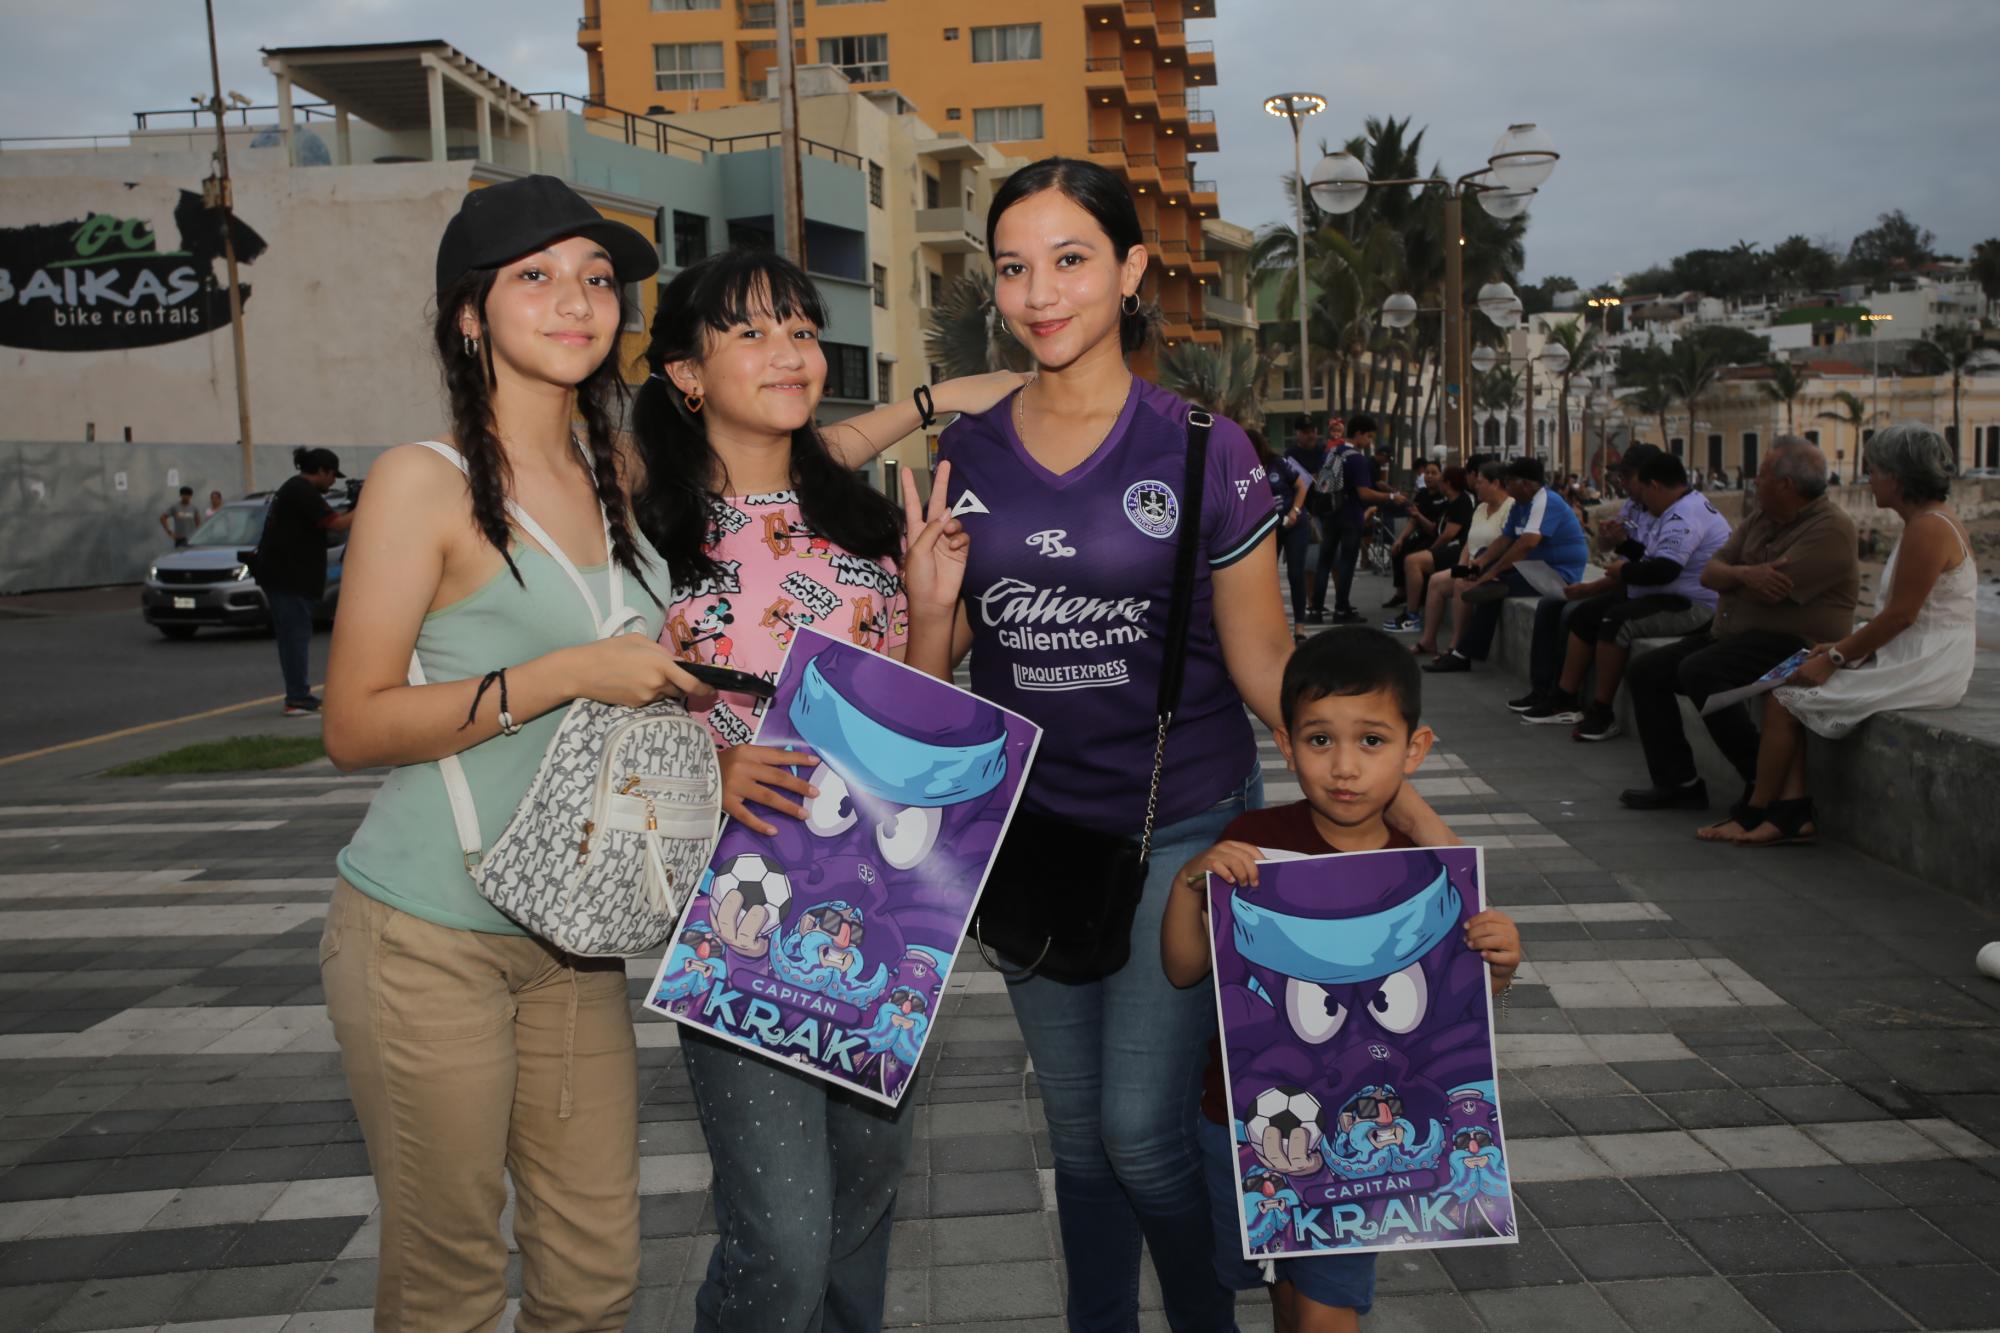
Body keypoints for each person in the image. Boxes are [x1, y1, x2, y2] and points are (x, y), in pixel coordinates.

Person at [927, 156, 1456, 1332]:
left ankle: (1208, 1310)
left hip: (1187, 827)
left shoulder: (1203, 447)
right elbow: (942, 672)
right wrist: (923, 608)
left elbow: (1265, 658)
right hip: (1031, 845)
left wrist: (1392, 805)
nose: (1039, 292)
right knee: (1076, 1138)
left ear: (1128, 270)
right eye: (1013, 267)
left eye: (1069, 260)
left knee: (1138, 1130)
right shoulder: (966, 456)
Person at [319, 175, 703, 1331]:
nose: (575, 300)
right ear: (468, 315)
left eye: (595, 279)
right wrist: (562, 675)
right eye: (533, 276)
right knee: (450, 1286)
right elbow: (354, 724)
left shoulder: (617, 478)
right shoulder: (418, 481)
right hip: (427, 934)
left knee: (593, 1277)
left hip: (572, 935)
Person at [630, 248, 1016, 1331]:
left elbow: (913, 712)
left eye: (799, 327)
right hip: (733, 904)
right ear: (685, 373)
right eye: (749, 331)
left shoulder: (861, 519)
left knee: (860, 1203)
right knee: (785, 1246)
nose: (788, 350)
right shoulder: (645, 526)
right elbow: (598, 714)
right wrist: (705, 764)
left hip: (880, 903)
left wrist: (933, 605)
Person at [1160, 629, 1520, 1333]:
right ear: (1287, 745)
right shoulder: (1253, 841)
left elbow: (1453, 1010)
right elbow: (1182, 969)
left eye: (1372, 741)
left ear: (1414, 750)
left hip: (1369, 1140)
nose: (1344, 766)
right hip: (1247, 1127)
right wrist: (1189, 882)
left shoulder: (1431, 874)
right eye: (1320, 741)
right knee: (1284, 1286)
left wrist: (1498, 965)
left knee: (1328, 1307)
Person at [1702, 425, 1976, 845]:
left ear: (1897, 479)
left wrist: (1835, 659)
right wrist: (1839, 649)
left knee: (1785, 697)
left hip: (1925, 661)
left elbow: (1902, 616)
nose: (1868, 481)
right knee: (1785, 683)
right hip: (1915, 648)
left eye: (1874, 471)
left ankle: (1756, 811)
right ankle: (1789, 813)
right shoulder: (1925, 522)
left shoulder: (1929, 528)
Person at [1620, 437, 1858, 812]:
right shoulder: (1761, 518)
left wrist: (1734, 578)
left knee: (1700, 671)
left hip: (1799, 645)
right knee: (1647, 671)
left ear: (1786, 485)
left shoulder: (1831, 529)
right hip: (1736, 635)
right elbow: (1711, 574)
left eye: (1761, 474)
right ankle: (1678, 781)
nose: (1753, 481)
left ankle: (1760, 778)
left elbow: (1771, 591)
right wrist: (1745, 574)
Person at [1520, 452, 1731, 740]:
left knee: (1616, 622)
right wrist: (1624, 547)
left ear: (1655, 485)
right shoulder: (1672, 510)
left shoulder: (1686, 514)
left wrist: (1625, 572)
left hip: (1694, 605)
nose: (1640, 501)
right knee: (1583, 616)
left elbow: (1665, 570)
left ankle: (1602, 711)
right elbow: (1649, 557)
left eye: (1643, 490)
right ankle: (1564, 698)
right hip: (1663, 595)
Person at [1424, 457, 1588, 674]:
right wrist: (1482, 562)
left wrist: (1491, 572)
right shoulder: (1519, 505)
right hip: (1532, 568)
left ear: (1526, 484)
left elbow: (1526, 544)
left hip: (1555, 575)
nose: (1506, 486)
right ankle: (1464, 651)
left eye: (1509, 481)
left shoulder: (1545, 501)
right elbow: (1505, 539)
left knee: (1491, 586)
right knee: (1486, 573)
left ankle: (1461, 653)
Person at [256, 447, 355, 715]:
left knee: (294, 637)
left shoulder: (295, 490)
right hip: (289, 579)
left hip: (286, 577)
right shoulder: (302, 492)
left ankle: (298, 694)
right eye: (332, 475)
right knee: (295, 638)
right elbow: (337, 524)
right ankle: (297, 698)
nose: (333, 482)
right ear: (322, 471)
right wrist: (369, 503)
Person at [1410, 463, 1512, 656]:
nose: (1476, 486)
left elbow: (1506, 544)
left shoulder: (1510, 507)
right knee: (1436, 581)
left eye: (1481, 482)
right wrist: (1460, 564)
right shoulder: (1481, 508)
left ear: (1496, 483)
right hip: (1471, 564)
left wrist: (1472, 567)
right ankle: (1428, 641)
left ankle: (1456, 645)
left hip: (1489, 567)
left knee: (1459, 582)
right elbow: (1468, 542)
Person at [1318, 415, 1396, 625]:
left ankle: (1315, 608)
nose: (1370, 441)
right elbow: (1364, 493)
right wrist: (1391, 497)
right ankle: (1341, 609)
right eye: (1369, 436)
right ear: (1359, 433)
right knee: (1346, 563)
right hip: (1351, 515)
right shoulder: (1357, 458)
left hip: (1330, 513)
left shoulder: (1331, 451)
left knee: (1325, 561)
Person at [1384, 465, 1471, 635]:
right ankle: (1411, 610)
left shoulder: (1462, 502)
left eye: (1439, 478)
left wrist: (1431, 551)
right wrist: (1418, 516)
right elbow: (1434, 529)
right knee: (1410, 555)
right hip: (1448, 548)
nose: (1435, 481)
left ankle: (1412, 617)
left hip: (1457, 551)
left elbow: (1447, 535)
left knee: (1413, 560)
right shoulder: (1448, 503)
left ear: (1448, 483)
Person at [1253, 427, 1314, 638]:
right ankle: (1270, 623)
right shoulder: (1243, 469)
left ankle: (1299, 626)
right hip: (1268, 528)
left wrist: (1295, 511)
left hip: (1293, 522)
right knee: (1266, 577)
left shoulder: (1277, 463)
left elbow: (1302, 486)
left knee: (1295, 573)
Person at [1382, 459, 1445, 612]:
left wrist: (1419, 517)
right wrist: (1400, 538)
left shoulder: (1444, 496)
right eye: (1427, 473)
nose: (1429, 476)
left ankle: (1416, 600)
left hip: (1436, 537)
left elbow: (1434, 529)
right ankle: (1401, 593)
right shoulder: (1421, 494)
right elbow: (1413, 521)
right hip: (1421, 534)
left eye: (1433, 473)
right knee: (1399, 549)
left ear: (1441, 476)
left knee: (1412, 556)